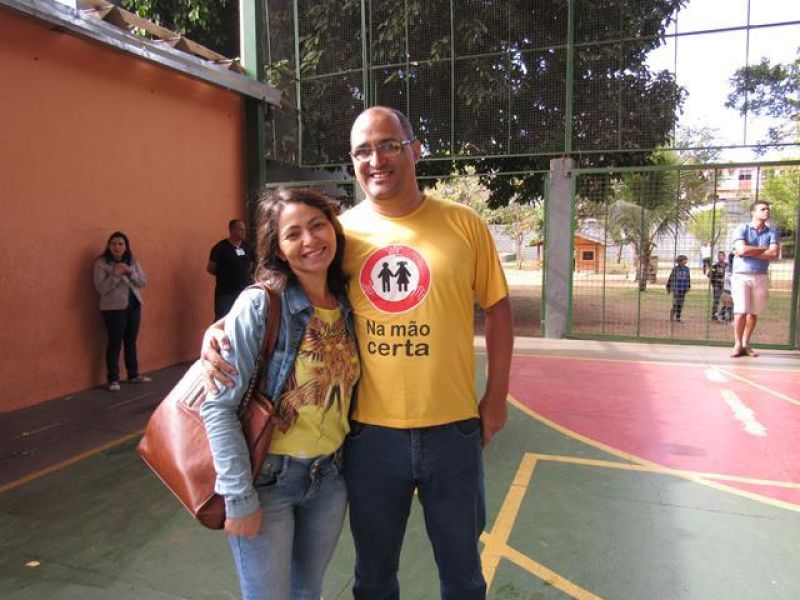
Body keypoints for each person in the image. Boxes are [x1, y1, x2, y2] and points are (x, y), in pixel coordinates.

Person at [203, 107, 514, 599]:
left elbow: (498, 309)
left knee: (463, 575)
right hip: (369, 435)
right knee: (373, 578)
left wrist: (495, 398)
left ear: (414, 150)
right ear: (352, 161)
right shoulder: (339, 233)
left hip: (453, 430)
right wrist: (219, 330)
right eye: (363, 150)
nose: (376, 159)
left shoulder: (464, 224)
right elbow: (289, 290)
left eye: (389, 144)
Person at [200, 188, 360, 600]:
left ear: (334, 230)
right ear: (279, 250)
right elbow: (218, 407)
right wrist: (238, 497)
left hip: (330, 476)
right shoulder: (260, 305)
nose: (309, 240)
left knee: (309, 591)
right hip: (268, 480)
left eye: (317, 225)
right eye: (293, 234)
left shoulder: (349, 304)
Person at [93, 231, 152, 391]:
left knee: (131, 341)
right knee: (115, 342)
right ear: (108, 246)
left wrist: (130, 272)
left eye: (121, 244)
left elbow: (143, 282)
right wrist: (115, 275)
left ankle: (133, 374)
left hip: (133, 305)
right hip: (113, 308)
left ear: (126, 246)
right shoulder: (101, 263)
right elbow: (101, 288)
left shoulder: (132, 261)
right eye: (114, 244)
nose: (117, 247)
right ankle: (113, 379)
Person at [730, 200, 780, 357]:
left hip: (761, 276)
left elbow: (774, 253)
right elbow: (741, 249)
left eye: (768, 209)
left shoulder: (772, 232)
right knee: (740, 311)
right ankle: (737, 344)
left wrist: (749, 251)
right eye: (763, 209)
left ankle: (746, 344)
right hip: (741, 276)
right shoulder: (742, 229)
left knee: (753, 313)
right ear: (753, 212)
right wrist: (764, 250)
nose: (767, 211)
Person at [208, 219, 255, 320]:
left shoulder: (247, 248)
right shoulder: (220, 248)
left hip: (244, 292)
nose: (244, 232)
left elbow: (251, 265)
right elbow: (211, 268)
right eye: (240, 229)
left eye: (244, 229)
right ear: (232, 230)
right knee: (224, 319)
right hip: (226, 294)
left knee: (244, 319)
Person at [666, 255, 691, 322]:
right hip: (676, 289)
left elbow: (688, 278)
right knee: (675, 303)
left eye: (686, 260)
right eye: (684, 260)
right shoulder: (675, 269)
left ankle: (678, 317)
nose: (685, 261)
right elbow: (670, 278)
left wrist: (688, 286)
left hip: (683, 289)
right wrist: (668, 287)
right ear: (680, 261)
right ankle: (672, 316)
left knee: (681, 303)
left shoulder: (687, 269)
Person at [707, 250, 727, 321]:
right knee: (716, 300)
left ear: (724, 257)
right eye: (719, 256)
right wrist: (718, 280)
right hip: (717, 286)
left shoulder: (727, 266)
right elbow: (709, 275)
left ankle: (723, 314)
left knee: (726, 300)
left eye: (722, 256)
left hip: (726, 286)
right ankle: (714, 315)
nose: (720, 257)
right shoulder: (714, 266)